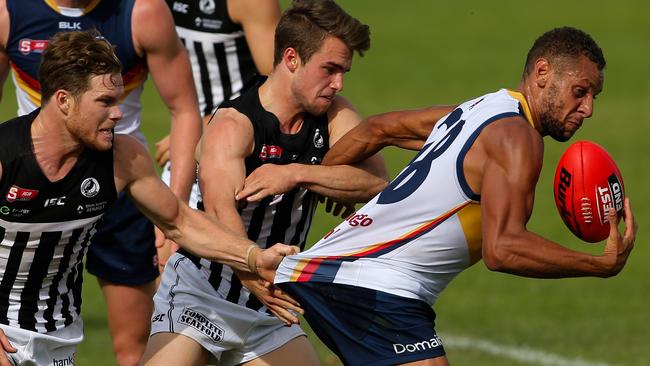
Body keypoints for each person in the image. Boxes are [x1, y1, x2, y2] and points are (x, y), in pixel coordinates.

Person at [273, 26, 638, 366]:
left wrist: (325, 176)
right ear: (542, 73)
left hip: (341, 274)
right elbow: (503, 249)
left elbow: (377, 128)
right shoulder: (518, 138)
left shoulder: (479, 109)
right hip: (371, 283)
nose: (588, 109)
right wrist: (597, 265)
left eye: (593, 96)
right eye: (580, 91)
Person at [0, 29, 293, 366]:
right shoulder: (7, 156)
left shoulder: (121, 157)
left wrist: (254, 257)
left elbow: (180, 222)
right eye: (105, 102)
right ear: (64, 101)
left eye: (119, 100)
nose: (118, 114)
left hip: (57, 343)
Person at [142, 0, 388, 365]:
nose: (338, 83)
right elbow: (220, 209)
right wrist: (251, 268)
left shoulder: (335, 115)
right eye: (330, 69)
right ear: (291, 59)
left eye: (343, 72)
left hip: (270, 300)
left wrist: (297, 173)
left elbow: (378, 183)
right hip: (204, 292)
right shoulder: (233, 124)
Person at [0, 0, 202, 364]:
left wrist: (174, 208)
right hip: (33, 186)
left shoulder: (142, 12)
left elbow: (184, 109)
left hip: (122, 184)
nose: (116, 108)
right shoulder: (10, 12)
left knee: (133, 343)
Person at [153, 0, 281, 264]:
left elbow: (280, 80)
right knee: (163, 260)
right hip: (187, 138)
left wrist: (204, 124)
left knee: (242, 261)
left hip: (239, 142)